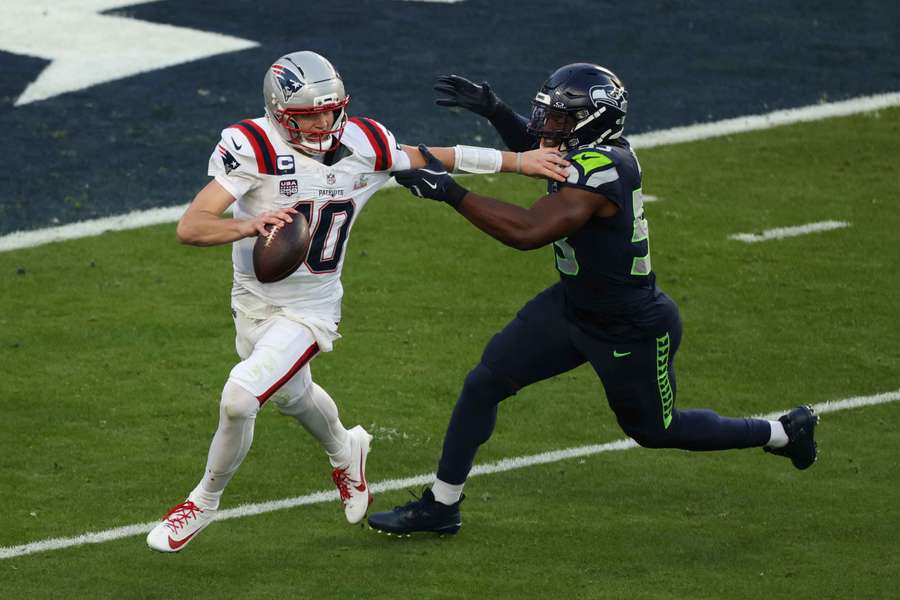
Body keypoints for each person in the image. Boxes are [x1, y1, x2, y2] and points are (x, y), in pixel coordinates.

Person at [367, 64, 819, 536]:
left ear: (594, 120)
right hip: (573, 305)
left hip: (628, 323)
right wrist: (496, 111)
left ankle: (783, 432)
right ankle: (442, 506)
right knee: (484, 383)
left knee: (655, 431)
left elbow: (528, 232)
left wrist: (450, 191)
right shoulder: (588, 154)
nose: (545, 125)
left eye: (560, 117)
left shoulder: (605, 168)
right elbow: (540, 154)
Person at [146, 51, 569, 552]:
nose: (324, 123)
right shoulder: (251, 146)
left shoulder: (364, 142)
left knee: (240, 398)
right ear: (280, 113)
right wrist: (247, 223)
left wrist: (519, 161)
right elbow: (191, 226)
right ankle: (347, 451)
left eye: (330, 111)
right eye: (308, 116)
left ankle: (202, 502)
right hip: (252, 300)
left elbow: (434, 156)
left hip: (311, 309)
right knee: (291, 395)